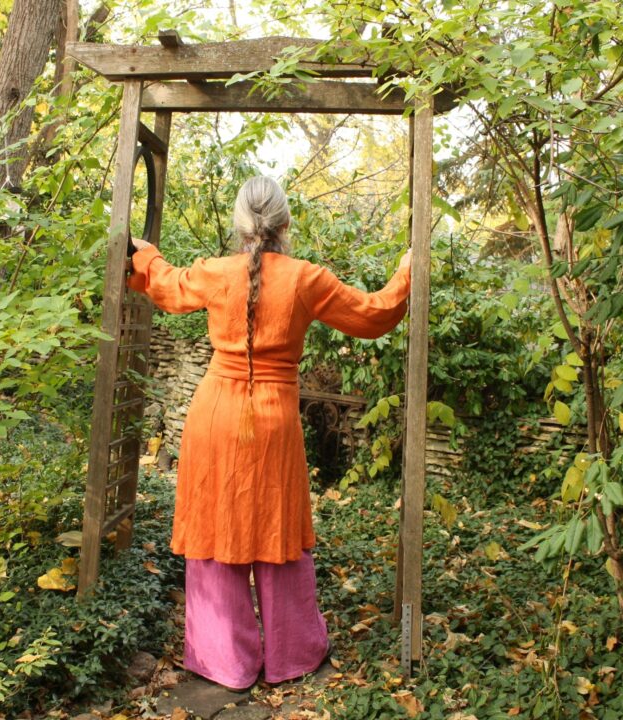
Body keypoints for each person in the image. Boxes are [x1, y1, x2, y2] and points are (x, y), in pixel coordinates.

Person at [128, 175, 412, 691]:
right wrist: (408, 270)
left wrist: (144, 255)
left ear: (240, 223)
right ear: (285, 222)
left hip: (213, 415)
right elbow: (374, 315)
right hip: (274, 421)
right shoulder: (306, 277)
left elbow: (165, 286)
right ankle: (292, 654)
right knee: (277, 529)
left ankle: (226, 664)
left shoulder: (215, 272)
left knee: (217, 530)